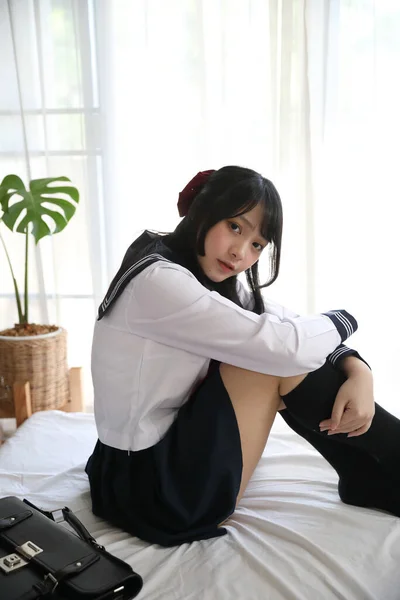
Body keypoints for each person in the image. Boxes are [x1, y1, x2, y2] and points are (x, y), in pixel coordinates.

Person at [86, 166, 400, 547]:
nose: (240, 253)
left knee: (275, 348)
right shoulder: (160, 282)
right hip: (153, 493)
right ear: (204, 210)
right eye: (235, 227)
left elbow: (288, 323)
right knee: (272, 361)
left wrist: (357, 368)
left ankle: (361, 473)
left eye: (257, 245)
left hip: (126, 472)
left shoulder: (190, 270)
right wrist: (347, 319)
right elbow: (287, 346)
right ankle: (382, 461)